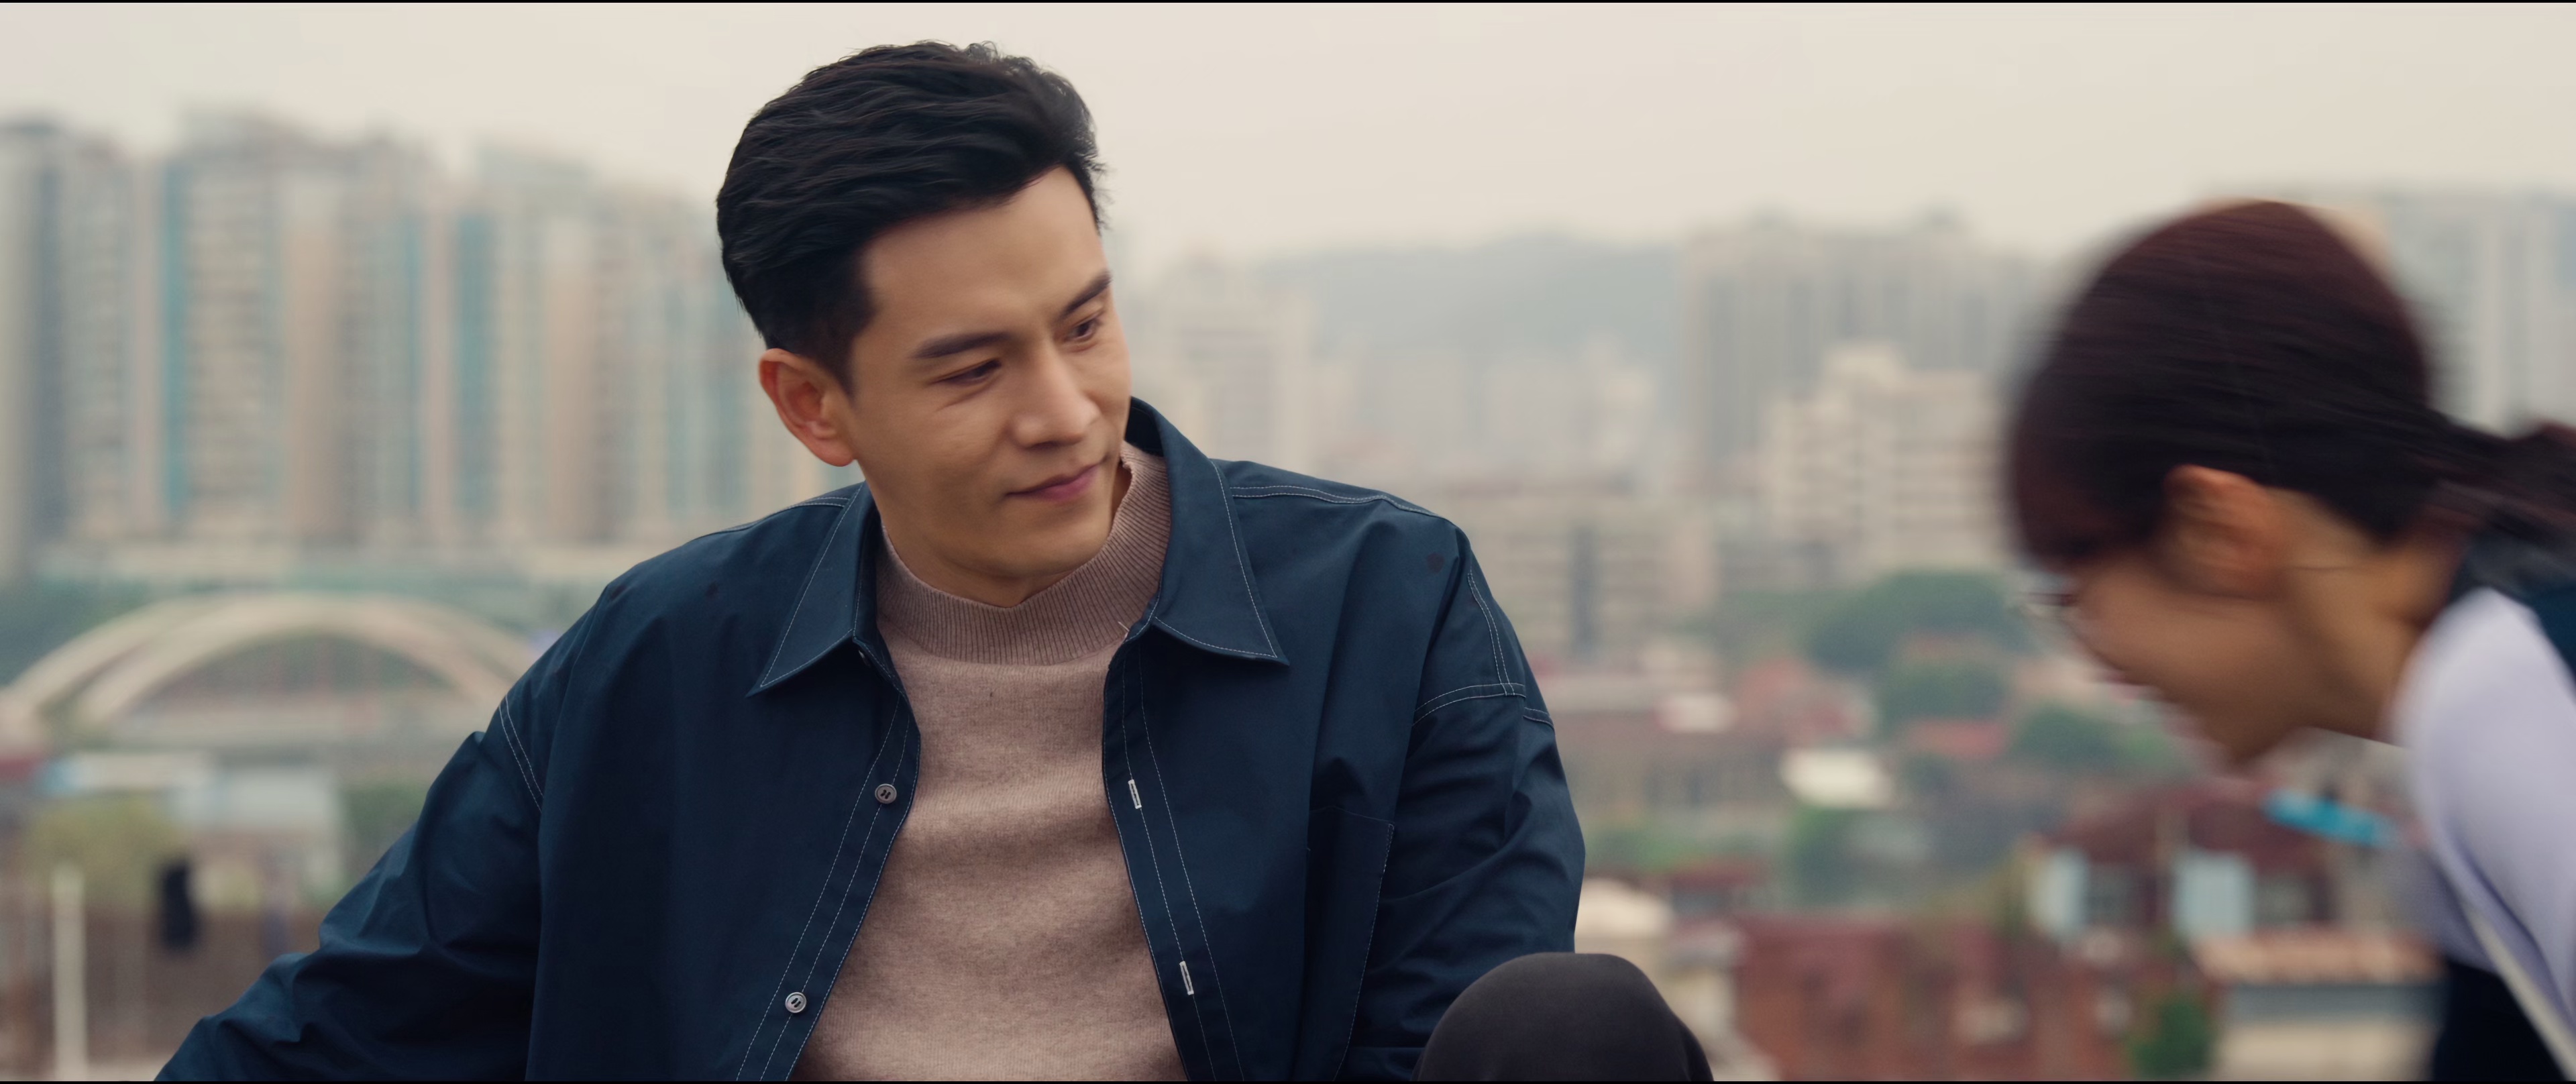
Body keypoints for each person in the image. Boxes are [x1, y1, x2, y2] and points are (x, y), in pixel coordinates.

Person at [161, 42, 1582, 1081]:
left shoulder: (1388, 610)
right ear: (814, 408)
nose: (1066, 410)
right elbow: (340, 1033)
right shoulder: (659, 665)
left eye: (1085, 325)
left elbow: (1461, 1037)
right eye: (974, 369)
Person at [2005, 200, 2576, 1081]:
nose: (2096, 654)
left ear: (2216, 528)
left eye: (2077, 592)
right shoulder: (2485, 677)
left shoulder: (2502, 694)